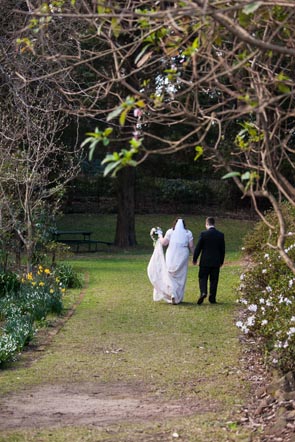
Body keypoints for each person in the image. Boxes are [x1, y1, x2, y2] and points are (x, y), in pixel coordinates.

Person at [147, 218, 194, 304]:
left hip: (171, 254)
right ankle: (177, 296)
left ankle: (172, 293)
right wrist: (194, 255)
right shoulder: (188, 233)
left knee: (170, 274)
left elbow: (164, 243)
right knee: (181, 276)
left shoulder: (170, 232)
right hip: (183, 255)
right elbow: (191, 246)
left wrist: (160, 235)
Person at [192, 217, 225, 305]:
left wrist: (195, 258)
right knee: (214, 279)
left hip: (205, 261)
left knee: (202, 277)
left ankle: (203, 292)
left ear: (207, 224)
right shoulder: (220, 235)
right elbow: (222, 249)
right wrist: (221, 261)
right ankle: (212, 297)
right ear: (214, 224)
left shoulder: (203, 234)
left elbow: (198, 248)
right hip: (216, 261)